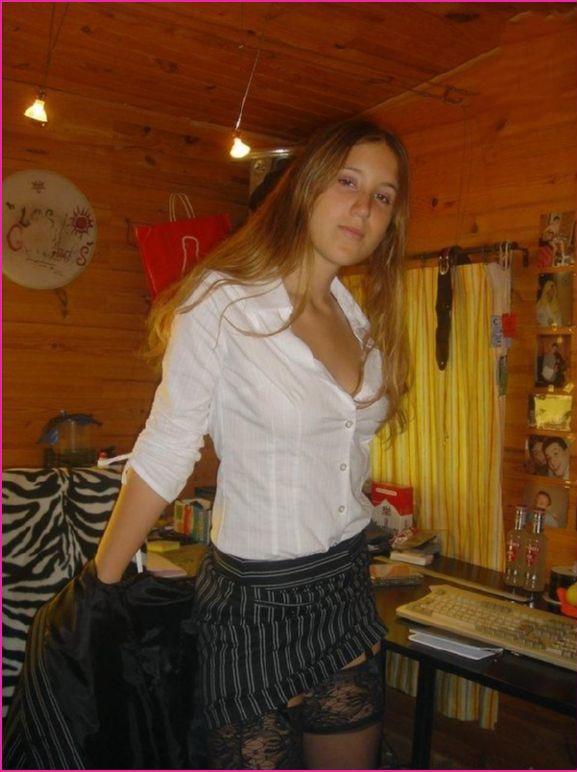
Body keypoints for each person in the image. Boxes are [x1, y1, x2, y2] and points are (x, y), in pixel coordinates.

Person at [95, 119, 410, 770]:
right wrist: (101, 583)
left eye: (382, 196)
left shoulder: (358, 319)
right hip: (254, 605)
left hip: (346, 586)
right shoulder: (221, 302)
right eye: (348, 182)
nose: (364, 207)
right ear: (305, 186)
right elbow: (167, 448)